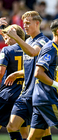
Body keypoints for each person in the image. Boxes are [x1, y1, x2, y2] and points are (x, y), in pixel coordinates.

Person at [4, 11, 51, 140]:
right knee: (12, 127)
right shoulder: (28, 41)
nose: (25, 26)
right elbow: (30, 67)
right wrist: (17, 74)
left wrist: (17, 38)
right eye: (24, 23)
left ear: (37, 23)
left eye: (28, 23)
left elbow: (33, 52)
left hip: (39, 94)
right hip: (25, 94)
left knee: (44, 132)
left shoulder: (43, 41)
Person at [0, 18, 29, 139]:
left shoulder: (6, 50)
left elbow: (0, 73)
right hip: (24, 96)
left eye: (6, 38)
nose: (5, 42)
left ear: (13, 35)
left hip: (8, 94)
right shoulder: (30, 50)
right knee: (24, 132)